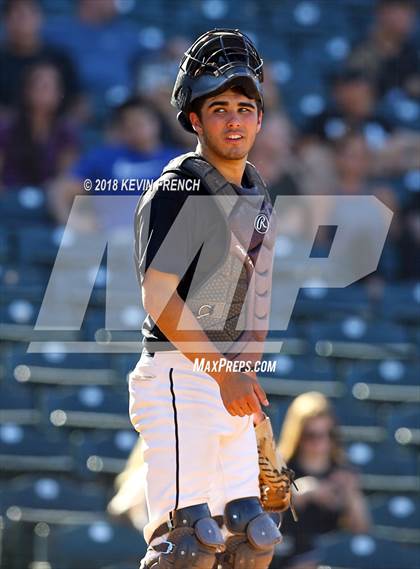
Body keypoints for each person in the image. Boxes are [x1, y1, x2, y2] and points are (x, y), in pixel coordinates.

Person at [131, 29, 282, 568]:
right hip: (180, 373)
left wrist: (248, 388)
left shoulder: (257, 193)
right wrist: (223, 373)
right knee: (186, 542)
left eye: (246, 107)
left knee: (253, 535)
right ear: (195, 120)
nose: (235, 119)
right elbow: (158, 296)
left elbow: (256, 292)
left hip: (226, 376)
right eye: (219, 107)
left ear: (260, 119)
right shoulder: (181, 187)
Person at [49, 96, 178, 230]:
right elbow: (60, 190)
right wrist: (74, 222)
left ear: (156, 122)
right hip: (113, 237)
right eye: (129, 123)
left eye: (141, 121)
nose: (136, 127)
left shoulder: (178, 159)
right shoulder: (104, 158)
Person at [276, 392, 371, 569]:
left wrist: (350, 495)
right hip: (289, 555)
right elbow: (269, 525)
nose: (321, 443)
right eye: (311, 435)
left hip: (330, 558)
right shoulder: (280, 469)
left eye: (328, 434)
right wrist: (297, 494)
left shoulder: (342, 471)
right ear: (297, 435)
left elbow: (361, 531)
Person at [0, 60, 80, 189]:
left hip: (48, 197)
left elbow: (66, 176)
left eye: (51, 87)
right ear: (27, 90)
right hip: (8, 197)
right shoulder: (6, 128)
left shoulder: (67, 131)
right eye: (42, 85)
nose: (46, 92)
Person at [0, 0, 80, 116]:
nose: (24, 21)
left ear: (40, 17)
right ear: (5, 21)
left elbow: (77, 101)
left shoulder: (59, 58)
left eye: (29, 13)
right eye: (18, 15)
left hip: (55, 129)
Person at [348, 0, 420, 99]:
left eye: (410, 12)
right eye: (402, 11)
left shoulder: (412, 51)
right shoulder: (362, 48)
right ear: (382, 13)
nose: (408, 18)